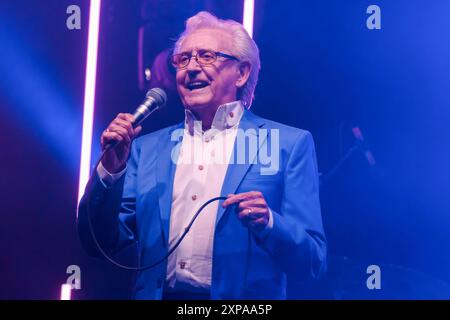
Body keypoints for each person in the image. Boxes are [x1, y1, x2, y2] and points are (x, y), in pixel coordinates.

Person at [78, 11, 326, 300]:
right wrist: (110, 171)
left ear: (242, 73)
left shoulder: (288, 145)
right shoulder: (146, 149)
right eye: (183, 60)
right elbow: (98, 243)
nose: (191, 68)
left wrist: (270, 222)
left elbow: (313, 263)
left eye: (206, 56)